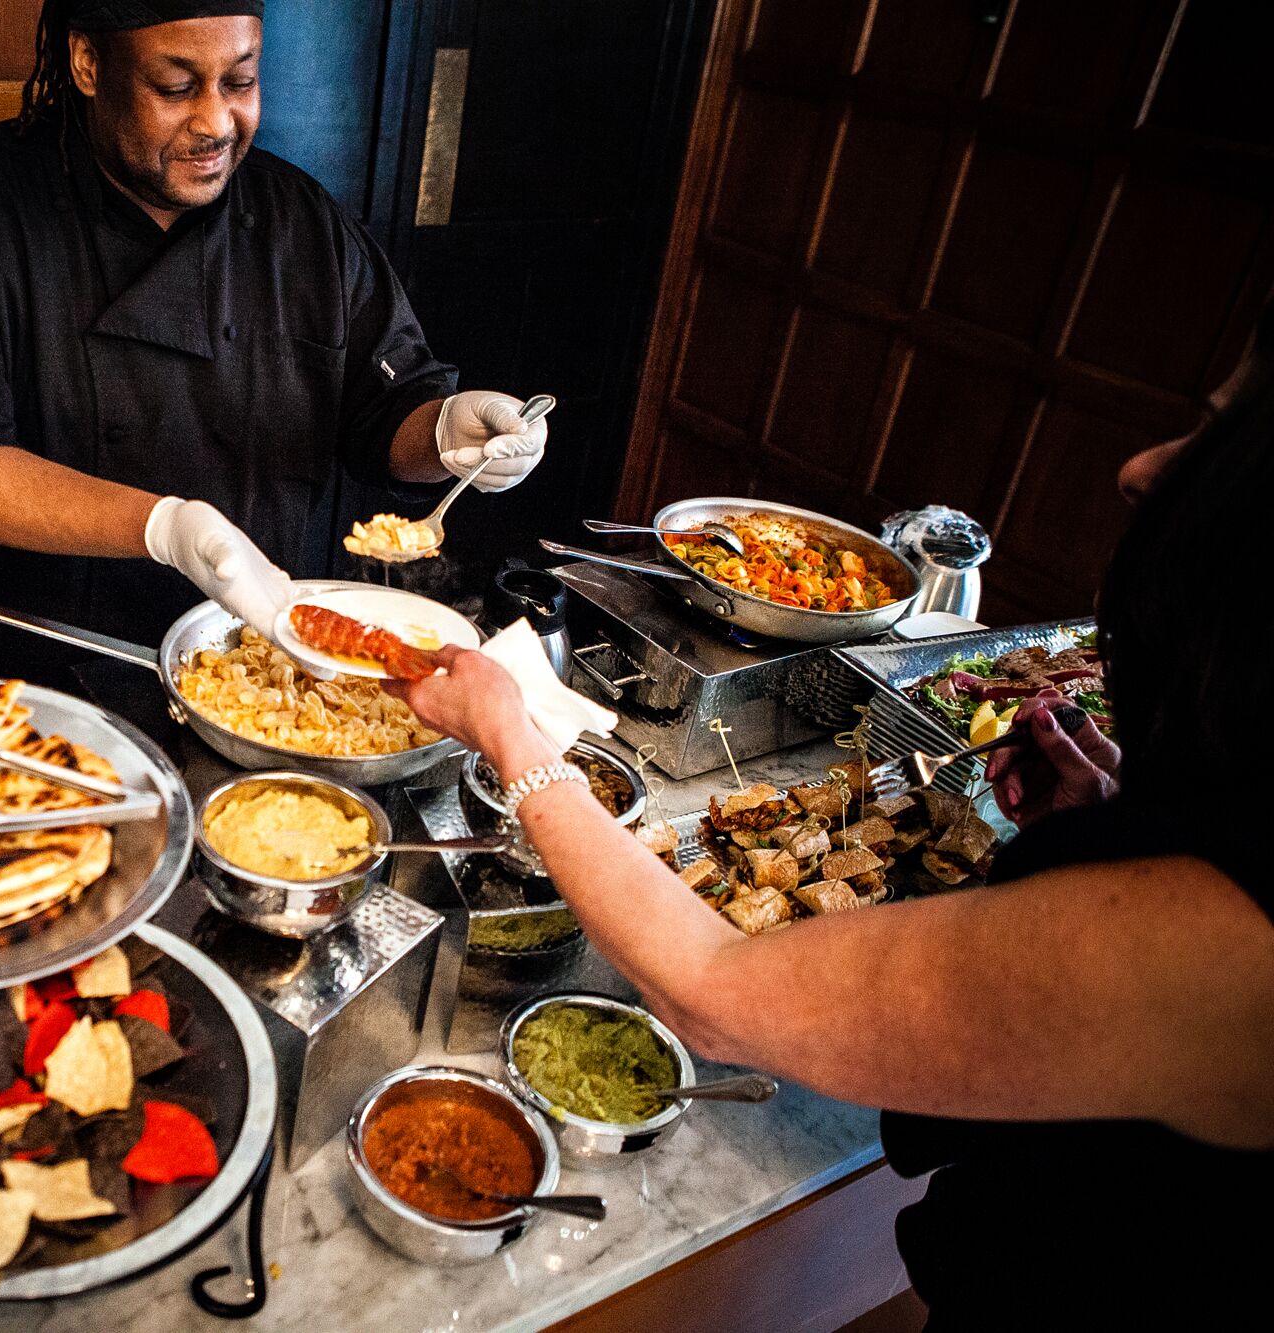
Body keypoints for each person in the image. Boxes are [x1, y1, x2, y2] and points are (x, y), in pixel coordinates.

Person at [386, 313, 1274, 1325]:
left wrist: (515, 737)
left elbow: (713, 995)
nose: (1137, 467)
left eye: (1216, 435)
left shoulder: (1223, 942)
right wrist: (1109, 833)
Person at [0, 0, 548, 676]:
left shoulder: (301, 221)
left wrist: (446, 437)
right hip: (30, 677)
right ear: (88, 61)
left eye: (241, 81)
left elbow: (387, 414)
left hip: (253, 673)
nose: (217, 121)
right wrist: (165, 527)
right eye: (176, 86)